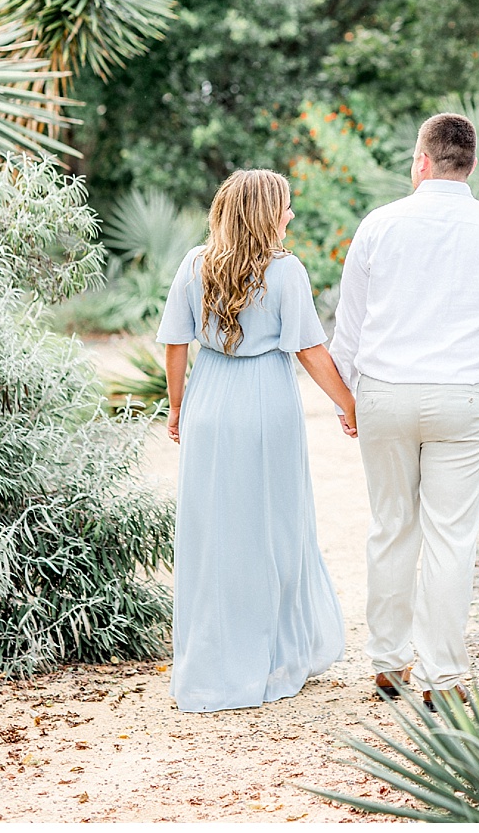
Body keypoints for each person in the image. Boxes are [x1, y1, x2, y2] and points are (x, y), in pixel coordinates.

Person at [329, 112, 479, 706]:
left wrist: (344, 397)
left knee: (390, 527)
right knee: (450, 538)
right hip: (463, 400)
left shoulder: (378, 226)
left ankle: (387, 663)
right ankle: (442, 677)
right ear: (472, 165)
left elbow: (347, 329)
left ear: (422, 161)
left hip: (384, 393)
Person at [156, 169, 358, 712]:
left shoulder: (194, 264)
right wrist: (349, 403)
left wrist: (178, 407)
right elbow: (311, 351)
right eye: (285, 207)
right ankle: (274, 656)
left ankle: (212, 662)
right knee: (275, 527)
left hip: (209, 398)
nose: (290, 214)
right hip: (267, 399)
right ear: (266, 214)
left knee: (213, 531)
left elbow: (176, 344)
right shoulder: (285, 272)